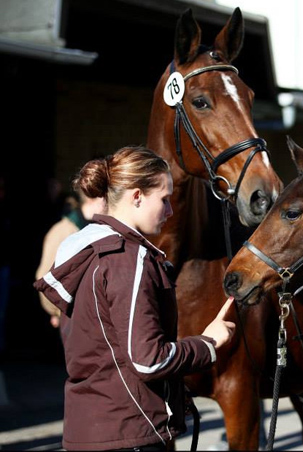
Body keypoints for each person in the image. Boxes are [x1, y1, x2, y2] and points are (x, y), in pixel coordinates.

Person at [34, 145, 236, 451]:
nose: (169, 211)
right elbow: (148, 360)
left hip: (90, 432)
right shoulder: (127, 259)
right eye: (164, 199)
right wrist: (208, 343)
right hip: (130, 433)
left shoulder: (84, 249)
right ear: (137, 196)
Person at [35, 190, 107, 328]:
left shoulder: (101, 230)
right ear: (93, 198)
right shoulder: (63, 231)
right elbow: (45, 277)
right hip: (72, 321)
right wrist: (58, 311)